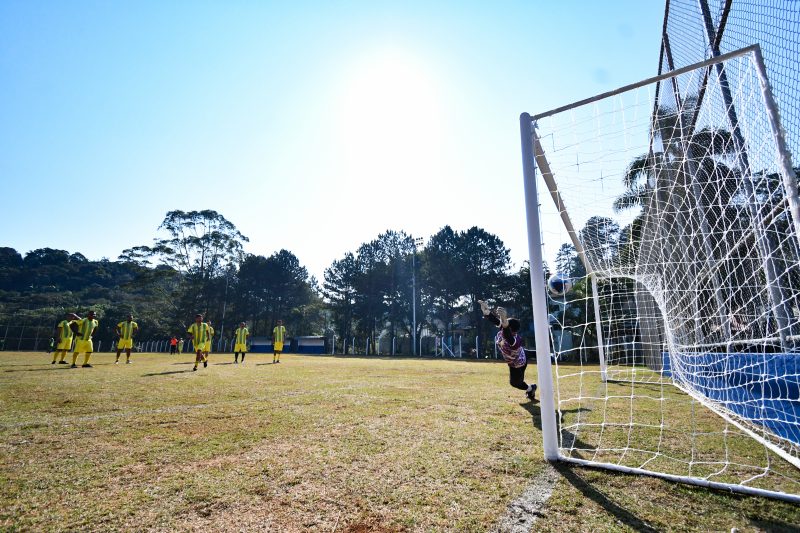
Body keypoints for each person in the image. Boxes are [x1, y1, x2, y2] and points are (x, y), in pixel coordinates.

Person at [478, 300, 537, 401]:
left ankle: (531, 388)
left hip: (518, 363)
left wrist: (505, 323)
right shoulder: (505, 329)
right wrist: (487, 312)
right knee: (530, 353)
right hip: (522, 353)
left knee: (515, 383)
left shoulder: (514, 340)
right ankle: (541, 354)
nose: (503, 323)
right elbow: (497, 321)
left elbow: (508, 336)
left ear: (509, 328)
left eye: (505, 323)